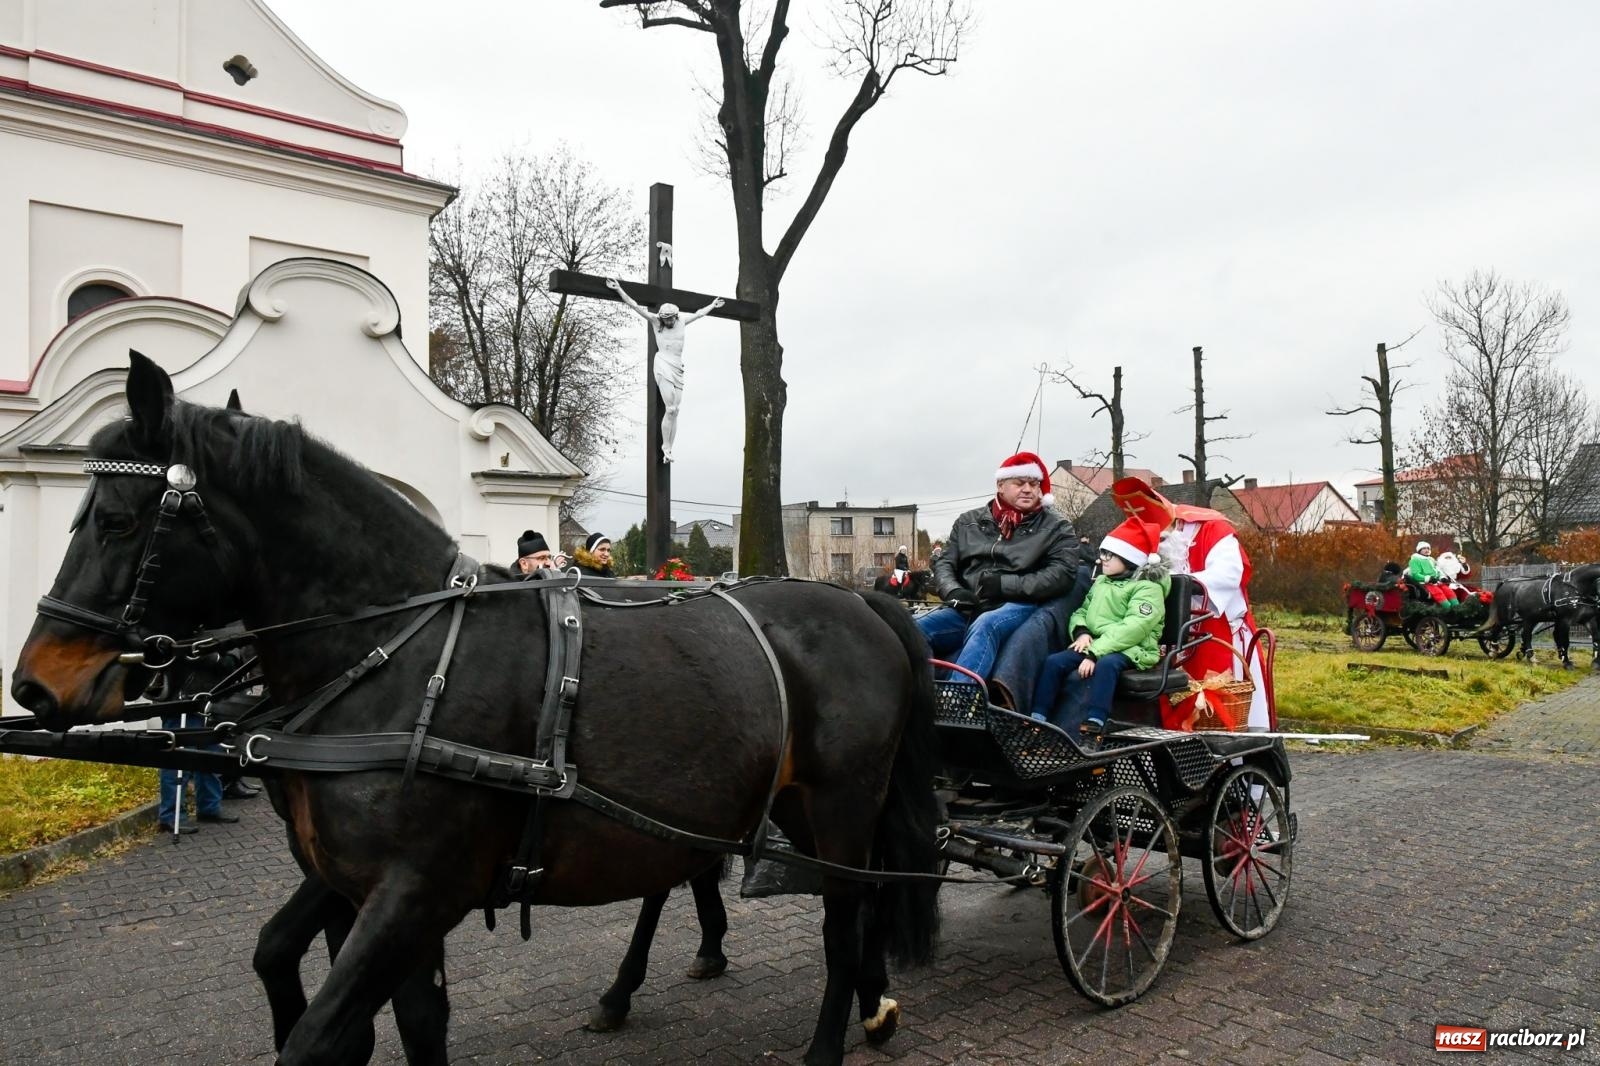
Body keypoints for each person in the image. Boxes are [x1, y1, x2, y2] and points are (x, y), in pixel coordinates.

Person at [1112, 476, 1274, 730]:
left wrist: (1178, 586)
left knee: (1219, 715)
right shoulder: (1155, 543)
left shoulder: (1213, 530)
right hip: (1167, 635)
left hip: (1217, 629)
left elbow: (1228, 575)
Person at [917, 451, 1078, 684]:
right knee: (912, 629)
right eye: (1019, 483)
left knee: (986, 625)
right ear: (1001, 485)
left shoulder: (1057, 526)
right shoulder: (968, 522)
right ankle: (920, 692)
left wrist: (1005, 585)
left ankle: (960, 696)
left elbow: (1062, 573)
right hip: (968, 606)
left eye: (1034, 484)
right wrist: (953, 590)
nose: (1028, 489)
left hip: (1017, 604)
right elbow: (945, 562)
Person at [1031, 518, 1170, 738]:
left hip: (1134, 648)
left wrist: (1095, 653)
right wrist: (1082, 632)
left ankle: (1096, 720)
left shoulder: (1148, 589)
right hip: (1098, 643)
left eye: (1109, 554)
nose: (1101, 558)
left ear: (1129, 559)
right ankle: (1037, 718)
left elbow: (1134, 627)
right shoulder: (1103, 582)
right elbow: (1082, 611)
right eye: (1103, 552)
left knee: (1107, 664)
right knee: (1054, 662)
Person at [606, 278, 724, 464]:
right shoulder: (656, 322)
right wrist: (619, 289)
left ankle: (669, 448)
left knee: (675, 411)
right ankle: (665, 448)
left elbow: (699, 314)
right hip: (663, 363)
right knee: (670, 408)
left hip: (677, 366)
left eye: (670, 318)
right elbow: (635, 306)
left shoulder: (682, 322)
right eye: (665, 319)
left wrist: (712, 305)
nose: (668, 321)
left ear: (675, 316)